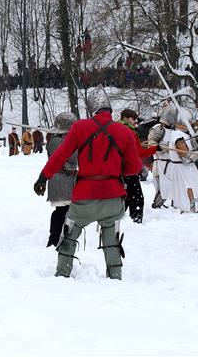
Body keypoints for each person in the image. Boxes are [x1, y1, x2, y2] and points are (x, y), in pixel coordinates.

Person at [33, 86, 142, 280]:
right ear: (110, 110)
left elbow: (59, 157)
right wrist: (116, 174)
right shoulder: (124, 132)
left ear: (92, 110)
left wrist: (43, 177)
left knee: (69, 234)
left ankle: (62, 273)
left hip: (84, 197)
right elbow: (134, 168)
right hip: (113, 196)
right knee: (111, 237)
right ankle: (115, 275)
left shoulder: (80, 127)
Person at [149, 103, 198, 213]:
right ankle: (159, 206)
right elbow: (152, 146)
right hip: (164, 162)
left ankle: (180, 204)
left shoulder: (176, 133)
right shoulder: (159, 129)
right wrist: (164, 148)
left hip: (175, 163)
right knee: (167, 187)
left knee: (178, 187)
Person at [44, 112, 78, 247]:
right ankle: (54, 239)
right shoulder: (57, 141)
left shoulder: (64, 139)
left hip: (67, 179)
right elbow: (71, 158)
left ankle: (60, 236)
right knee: (61, 211)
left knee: (66, 210)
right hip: (59, 179)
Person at [118, 108, 153, 223]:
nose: (135, 122)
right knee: (137, 199)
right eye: (133, 119)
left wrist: (141, 144)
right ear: (125, 118)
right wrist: (156, 148)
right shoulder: (129, 132)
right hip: (129, 170)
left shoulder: (117, 129)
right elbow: (140, 153)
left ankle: (119, 218)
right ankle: (136, 221)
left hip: (120, 169)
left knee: (127, 197)